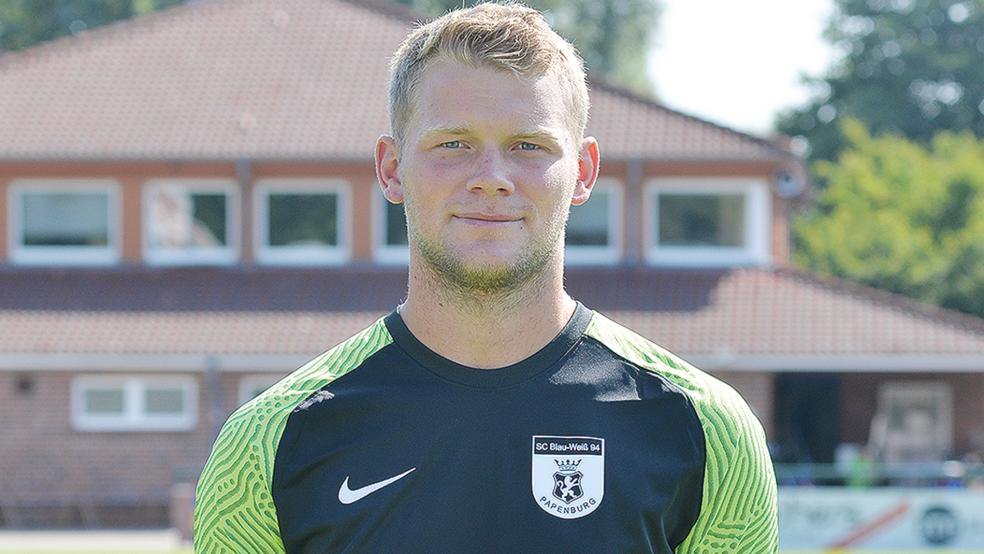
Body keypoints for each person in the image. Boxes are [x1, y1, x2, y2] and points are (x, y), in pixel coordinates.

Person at [193, 3, 778, 552]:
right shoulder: (269, 442)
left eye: (529, 145)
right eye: (453, 144)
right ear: (392, 169)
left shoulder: (706, 430)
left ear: (583, 171)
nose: (492, 177)